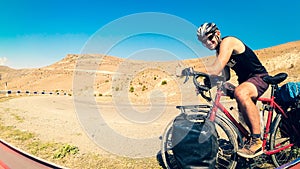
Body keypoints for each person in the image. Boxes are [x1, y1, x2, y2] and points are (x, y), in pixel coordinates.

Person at [194, 22, 269, 158]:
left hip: (259, 77)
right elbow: (225, 75)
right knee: (242, 114)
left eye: (209, 38)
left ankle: (257, 142)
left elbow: (216, 69)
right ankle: (248, 140)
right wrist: (207, 83)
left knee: (240, 92)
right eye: (203, 42)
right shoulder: (219, 51)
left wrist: (191, 69)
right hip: (245, 82)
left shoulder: (228, 42)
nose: (208, 43)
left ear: (217, 34)